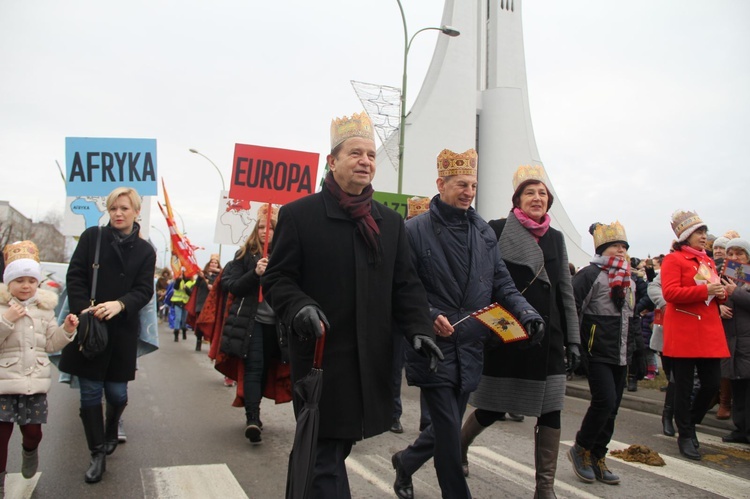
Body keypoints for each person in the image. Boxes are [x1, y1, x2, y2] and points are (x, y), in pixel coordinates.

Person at [261, 112, 441, 499]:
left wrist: (420, 330)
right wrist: (299, 306)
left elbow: (405, 286)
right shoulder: (299, 215)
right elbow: (276, 279)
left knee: (331, 449)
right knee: (323, 450)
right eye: (355, 153)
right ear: (332, 161)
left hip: (368, 360)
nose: (365, 161)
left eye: (371, 155)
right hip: (321, 359)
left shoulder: (389, 224)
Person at [393, 149, 544, 499]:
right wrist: (429, 316)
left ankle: (405, 461)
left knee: (444, 430)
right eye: (461, 184)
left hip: (470, 345)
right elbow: (403, 288)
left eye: (473, 185)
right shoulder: (413, 231)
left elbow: (503, 285)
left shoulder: (484, 233)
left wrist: (527, 314)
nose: (468, 191)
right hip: (433, 346)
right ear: (440, 184)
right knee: (447, 434)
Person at [460, 164, 580, 498]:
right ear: (517, 199)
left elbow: (564, 291)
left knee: (551, 409)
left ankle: (545, 487)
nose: (537, 198)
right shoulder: (497, 229)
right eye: (530, 192)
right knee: (493, 407)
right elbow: (483, 282)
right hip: (509, 334)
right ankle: (459, 448)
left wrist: (573, 339)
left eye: (542, 193)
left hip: (549, 339)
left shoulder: (556, 238)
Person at [59, 187, 156, 483]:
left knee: (116, 393)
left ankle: (112, 426)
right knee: (89, 392)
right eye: (114, 208)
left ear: (136, 211)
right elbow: (75, 275)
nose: (118, 213)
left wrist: (120, 304)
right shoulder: (93, 238)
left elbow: (143, 290)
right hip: (91, 328)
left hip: (122, 330)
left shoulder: (145, 250)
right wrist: (83, 310)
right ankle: (97, 453)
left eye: (124, 208)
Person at [0, 241, 78, 494]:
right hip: (4, 382)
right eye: (19, 280)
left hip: (34, 383)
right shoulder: (2, 308)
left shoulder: (45, 310)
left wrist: (67, 330)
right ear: (9, 282)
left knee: (33, 433)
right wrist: (7, 320)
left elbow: (51, 343)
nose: (25, 286)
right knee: (1, 437)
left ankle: (29, 452)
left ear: (38, 283)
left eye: (31, 280)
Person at [567, 221, 642, 485]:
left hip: (621, 354)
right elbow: (572, 309)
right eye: (614, 246)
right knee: (605, 401)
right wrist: (573, 345)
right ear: (601, 249)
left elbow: (632, 318)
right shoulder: (589, 275)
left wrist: (639, 352)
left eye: (623, 246)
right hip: (596, 351)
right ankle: (580, 448)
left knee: (613, 409)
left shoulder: (629, 279)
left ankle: (598, 455)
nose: (620, 251)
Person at [660, 210, 729, 460]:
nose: (704, 237)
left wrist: (722, 291)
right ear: (687, 236)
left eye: (704, 232)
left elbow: (713, 295)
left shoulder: (707, 261)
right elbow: (670, 294)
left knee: (711, 384)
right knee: (684, 386)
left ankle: (688, 422)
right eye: (700, 232)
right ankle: (686, 434)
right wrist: (705, 290)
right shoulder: (673, 260)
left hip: (709, 331)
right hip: (685, 331)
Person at [220, 204, 281, 444]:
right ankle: (252, 418)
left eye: (272, 227)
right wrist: (255, 273)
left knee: (268, 368)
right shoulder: (244, 254)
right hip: (251, 322)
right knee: (254, 368)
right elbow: (231, 285)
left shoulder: (287, 253)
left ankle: (256, 411)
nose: (266, 231)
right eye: (262, 227)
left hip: (278, 325)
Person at [390, 196, 432, 435]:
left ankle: (427, 421)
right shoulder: (400, 236)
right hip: (398, 314)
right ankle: (393, 413)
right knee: (395, 366)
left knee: (429, 366)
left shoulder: (432, 239)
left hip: (426, 312)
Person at [719, 238, 750, 444]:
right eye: (730, 254)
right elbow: (711, 301)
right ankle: (741, 428)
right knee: (738, 385)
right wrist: (718, 309)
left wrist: (735, 293)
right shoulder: (723, 277)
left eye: (739, 253)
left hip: (747, 341)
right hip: (732, 341)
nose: (734, 258)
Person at [192, 255, 222, 351]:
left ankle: (211, 343)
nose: (213, 264)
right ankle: (199, 340)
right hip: (202, 302)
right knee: (200, 323)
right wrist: (200, 278)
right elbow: (196, 286)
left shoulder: (220, 276)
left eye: (215, 263)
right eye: (212, 262)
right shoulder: (203, 274)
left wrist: (213, 286)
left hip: (212, 304)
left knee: (211, 323)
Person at [170, 271, 194, 342]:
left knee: (184, 319)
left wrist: (186, 288)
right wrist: (178, 280)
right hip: (178, 301)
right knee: (178, 318)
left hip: (186, 303)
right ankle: (176, 334)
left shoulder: (192, 282)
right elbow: (176, 287)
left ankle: (184, 331)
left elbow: (191, 293)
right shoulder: (179, 280)